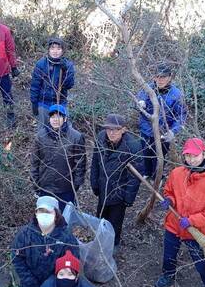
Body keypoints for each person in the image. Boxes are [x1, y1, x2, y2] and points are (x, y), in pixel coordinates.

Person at [155, 138, 205, 287]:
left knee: (200, 261)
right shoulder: (177, 173)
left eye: (195, 155)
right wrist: (169, 200)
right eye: (187, 155)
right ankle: (168, 274)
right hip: (174, 224)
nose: (191, 159)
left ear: (204, 154)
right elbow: (169, 190)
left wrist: (193, 220)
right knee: (169, 254)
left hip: (196, 230)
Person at [11, 196, 80, 287]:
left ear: (56, 214)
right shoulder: (25, 234)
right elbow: (16, 258)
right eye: (41, 211)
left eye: (48, 212)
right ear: (36, 213)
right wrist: (30, 281)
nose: (44, 215)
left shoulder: (66, 238)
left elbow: (72, 264)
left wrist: (52, 284)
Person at [90, 114, 144, 246]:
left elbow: (135, 177)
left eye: (116, 129)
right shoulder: (101, 138)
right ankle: (99, 245)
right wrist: (94, 183)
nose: (111, 133)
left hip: (119, 193)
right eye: (109, 129)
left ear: (123, 129)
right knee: (101, 219)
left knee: (115, 223)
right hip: (103, 188)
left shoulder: (133, 146)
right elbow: (95, 162)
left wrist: (128, 198)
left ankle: (113, 248)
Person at [30, 104, 86, 213]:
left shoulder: (76, 137)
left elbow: (80, 163)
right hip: (45, 187)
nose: (55, 119)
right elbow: (34, 162)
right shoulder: (40, 136)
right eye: (52, 116)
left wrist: (76, 185)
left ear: (65, 119)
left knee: (64, 221)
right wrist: (35, 183)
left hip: (66, 188)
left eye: (59, 116)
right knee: (47, 219)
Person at [136, 63, 187, 178]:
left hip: (164, 133)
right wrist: (140, 103)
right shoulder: (147, 89)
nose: (160, 80)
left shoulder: (176, 94)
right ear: (154, 77)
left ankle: (156, 176)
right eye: (157, 77)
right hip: (146, 130)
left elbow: (181, 115)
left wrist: (173, 131)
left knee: (160, 156)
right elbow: (138, 100)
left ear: (169, 78)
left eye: (163, 77)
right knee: (146, 153)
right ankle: (146, 173)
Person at [30, 37, 75, 125]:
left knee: (64, 128)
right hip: (44, 103)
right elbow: (35, 85)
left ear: (62, 51)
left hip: (60, 103)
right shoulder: (41, 64)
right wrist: (34, 103)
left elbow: (69, 85)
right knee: (43, 131)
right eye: (52, 48)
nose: (55, 51)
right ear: (49, 50)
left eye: (58, 48)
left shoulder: (68, 65)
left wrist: (65, 70)